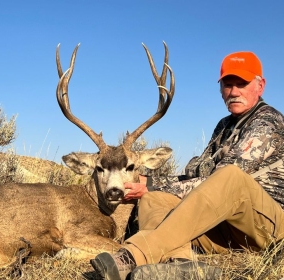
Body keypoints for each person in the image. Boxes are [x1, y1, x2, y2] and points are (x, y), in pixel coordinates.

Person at [90, 51, 284, 280]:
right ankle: (181, 265)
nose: (233, 92)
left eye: (242, 83)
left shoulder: (268, 122)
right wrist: (150, 185)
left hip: (267, 228)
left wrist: (151, 184)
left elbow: (223, 182)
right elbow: (196, 175)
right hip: (227, 228)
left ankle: (133, 255)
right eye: (227, 84)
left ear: (260, 86)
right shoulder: (224, 126)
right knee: (154, 199)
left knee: (231, 176)